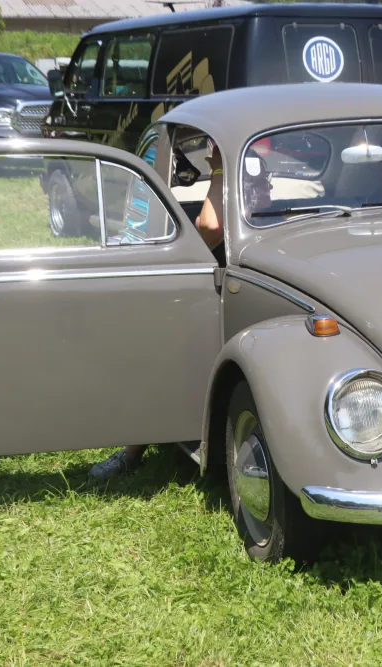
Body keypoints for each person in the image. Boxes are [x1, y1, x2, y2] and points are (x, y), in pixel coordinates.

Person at [88, 139, 272, 481]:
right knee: (154, 349)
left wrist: (224, 170)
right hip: (203, 299)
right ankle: (134, 449)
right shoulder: (216, 201)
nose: (264, 190)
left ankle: (137, 449)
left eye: (264, 185)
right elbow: (209, 228)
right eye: (257, 185)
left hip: (239, 301)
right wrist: (220, 170)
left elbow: (216, 225)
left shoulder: (259, 201)